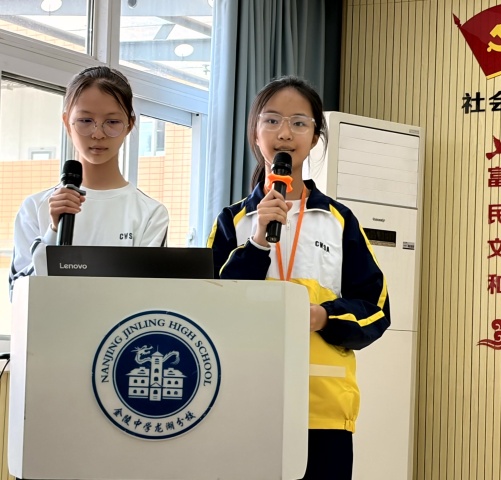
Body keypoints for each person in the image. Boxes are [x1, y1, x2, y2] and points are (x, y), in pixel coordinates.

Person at [207, 75, 390, 479]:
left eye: (299, 123)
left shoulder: (339, 221)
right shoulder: (232, 221)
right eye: (272, 120)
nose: (285, 133)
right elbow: (209, 307)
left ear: (315, 137)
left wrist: (324, 317)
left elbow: (376, 311)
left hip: (321, 410)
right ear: (255, 133)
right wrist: (257, 242)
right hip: (242, 404)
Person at [9, 66, 169, 298]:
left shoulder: (150, 214)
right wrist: (54, 231)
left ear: (129, 124)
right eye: (85, 120)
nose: (98, 134)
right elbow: (18, 295)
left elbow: (147, 298)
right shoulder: (35, 207)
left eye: (112, 122)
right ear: (67, 122)